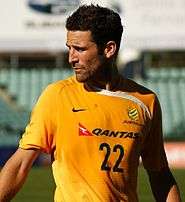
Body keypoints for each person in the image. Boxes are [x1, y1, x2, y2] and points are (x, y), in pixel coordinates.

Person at [0, 4, 181, 202]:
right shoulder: (57, 96)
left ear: (109, 49)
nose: (71, 58)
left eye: (80, 49)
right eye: (69, 48)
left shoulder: (146, 102)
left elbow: (160, 174)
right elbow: (20, 165)